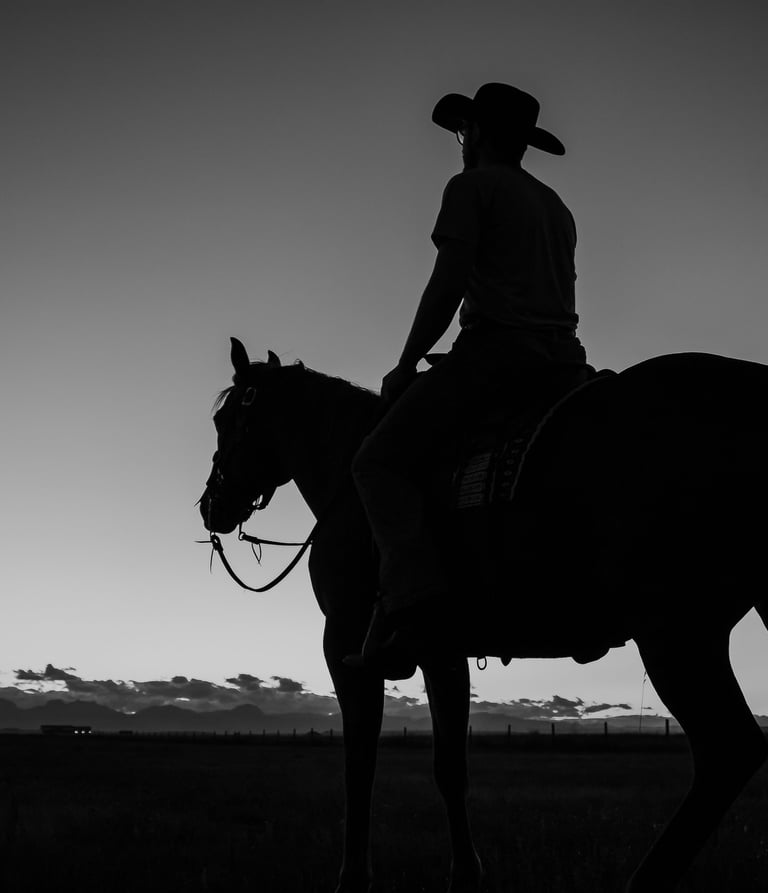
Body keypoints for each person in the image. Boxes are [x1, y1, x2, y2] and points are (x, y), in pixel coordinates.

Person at [347, 83, 590, 679]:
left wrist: (405, 363)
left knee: (376, 464)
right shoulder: (555, 205)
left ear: (476, 133)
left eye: (463, 132)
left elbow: (449, 281)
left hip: (498, 357)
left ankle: (415, 612)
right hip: (567, 365)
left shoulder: (471, 187)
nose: (461, 143)